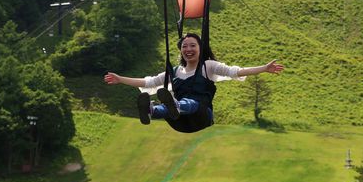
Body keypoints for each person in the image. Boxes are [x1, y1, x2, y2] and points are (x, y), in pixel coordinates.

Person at [103, 32, 284, 127]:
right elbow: (147, 83)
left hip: (202, 116)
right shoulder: (174, 72)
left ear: (200, 48)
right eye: (184, 46)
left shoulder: (208, 66)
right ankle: (152, 110)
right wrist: (120, 79)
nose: (188, 49)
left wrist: (264, 69)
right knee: (168, 106)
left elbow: (236, 72)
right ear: (181, 51)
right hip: (181, 122)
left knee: (188, 103)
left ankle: (174, 106)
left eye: (192, 45)